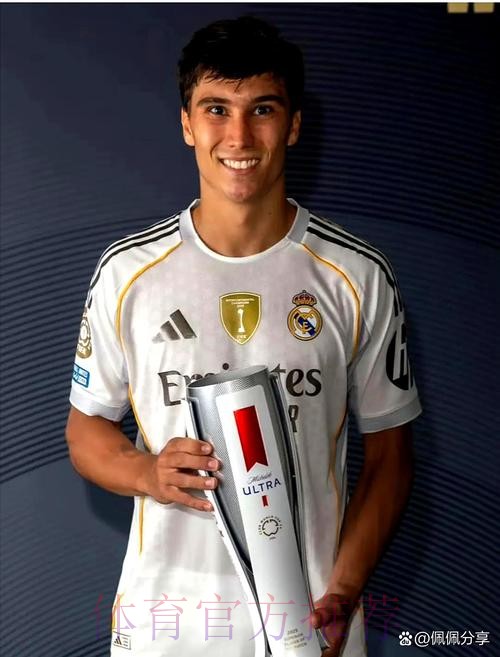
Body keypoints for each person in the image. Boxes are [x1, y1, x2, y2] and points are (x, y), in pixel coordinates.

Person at [66, 16, 421, 657]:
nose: (238, 136)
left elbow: (391, 458)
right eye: (216, 109)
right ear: (187, 124)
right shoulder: (128, 274)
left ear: (294, 124)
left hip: (307, 622)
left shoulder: (357, 276)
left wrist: (341, 593)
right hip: (168, 624)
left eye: (262, 109)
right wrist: (146, 471)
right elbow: (86, 429)